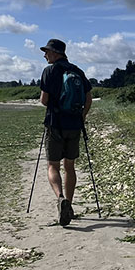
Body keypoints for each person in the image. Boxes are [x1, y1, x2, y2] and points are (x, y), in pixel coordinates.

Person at [39, 38, 92, 226]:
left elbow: (44, 101)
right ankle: (69, 204)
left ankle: (60, 198)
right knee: (69, 166)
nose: (45, 55)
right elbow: (88, 99)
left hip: (54, 124)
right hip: (74, 125)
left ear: (56, 53)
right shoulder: (77, 71)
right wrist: (81, 117)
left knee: (52, 165)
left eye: (47, 52)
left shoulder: (49, 71)